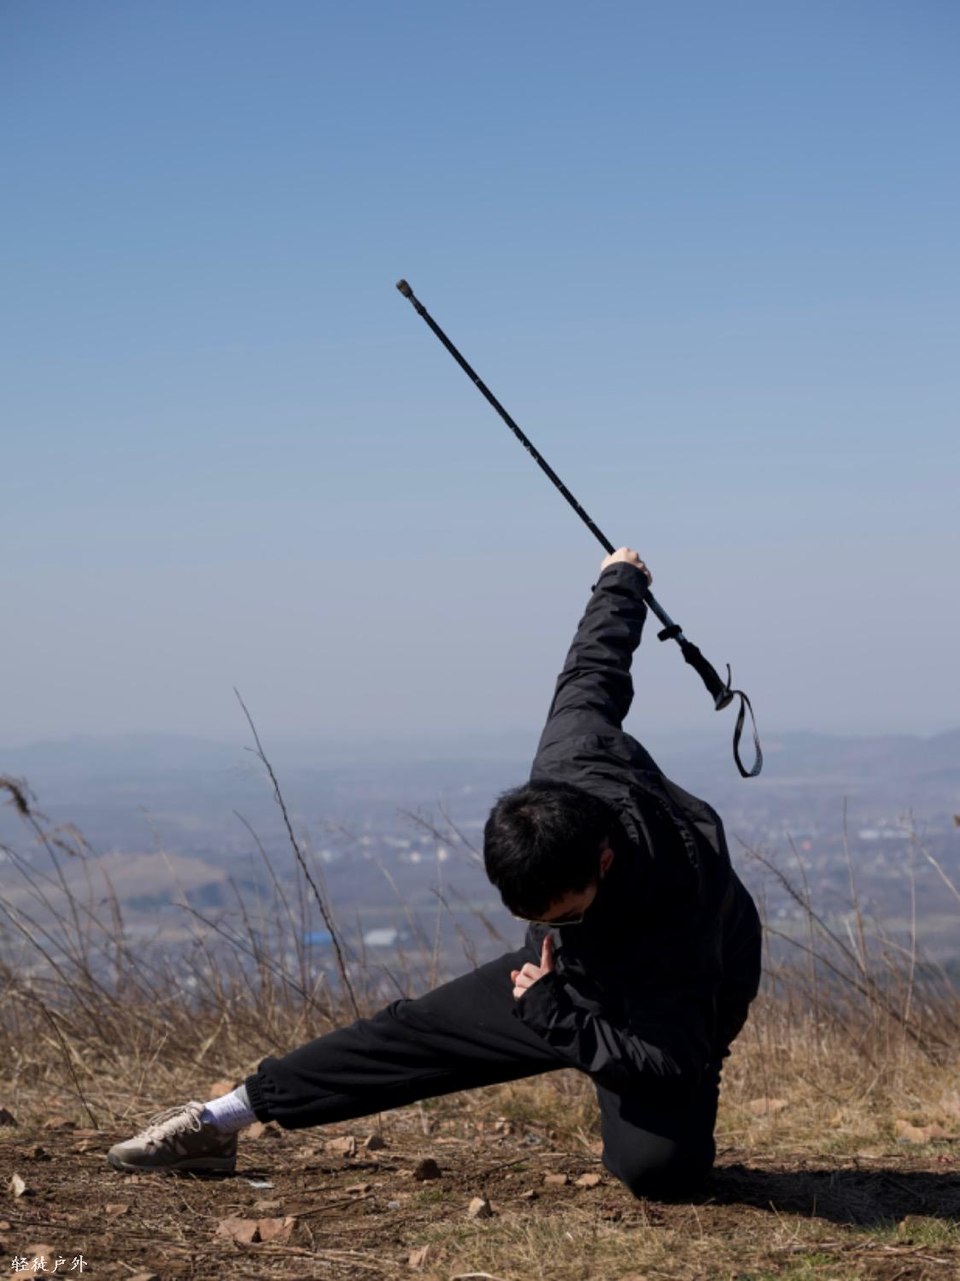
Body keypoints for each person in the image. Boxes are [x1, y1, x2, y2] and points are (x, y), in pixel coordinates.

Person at [107, 548, 761, 1199]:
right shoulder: (570, 754)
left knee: (659, 1171)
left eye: (565, 914)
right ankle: (219, 1120)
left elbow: (670, 1058)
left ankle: (644, 1099)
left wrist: (560, 1019)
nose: (551, 924)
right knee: (412, 1030)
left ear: (604, 861)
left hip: (673, 998)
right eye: (534, 917)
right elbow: (595, 664)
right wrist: (620, 579)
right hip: (560, 980)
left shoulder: (679, 903)